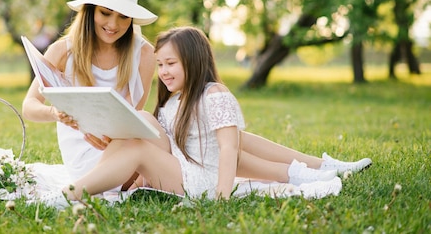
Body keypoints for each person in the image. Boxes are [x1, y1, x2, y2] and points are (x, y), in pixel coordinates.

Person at [39, 26, 372, 207]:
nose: (163, 72)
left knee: (142, 147)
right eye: (160, 65)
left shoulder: (214, 95)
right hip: (187, 169)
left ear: (194, 61)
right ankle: (308, 169)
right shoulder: (175, 103)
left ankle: (70, 195)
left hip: (198, 183)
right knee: (142, 124)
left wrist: (222, 198)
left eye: (171, 64)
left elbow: (229, 150)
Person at [21, 0, 158, 186]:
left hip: (121, 142)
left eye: (124, 17)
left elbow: (134, 115)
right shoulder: (63, 51)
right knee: (155, 159)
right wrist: (54, 113)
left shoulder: (144, 54)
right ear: (90, 11)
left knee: (159, 138)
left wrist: (111, 137)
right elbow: (29, 105)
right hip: (82, 150)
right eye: (105, 13)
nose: (114, 25)